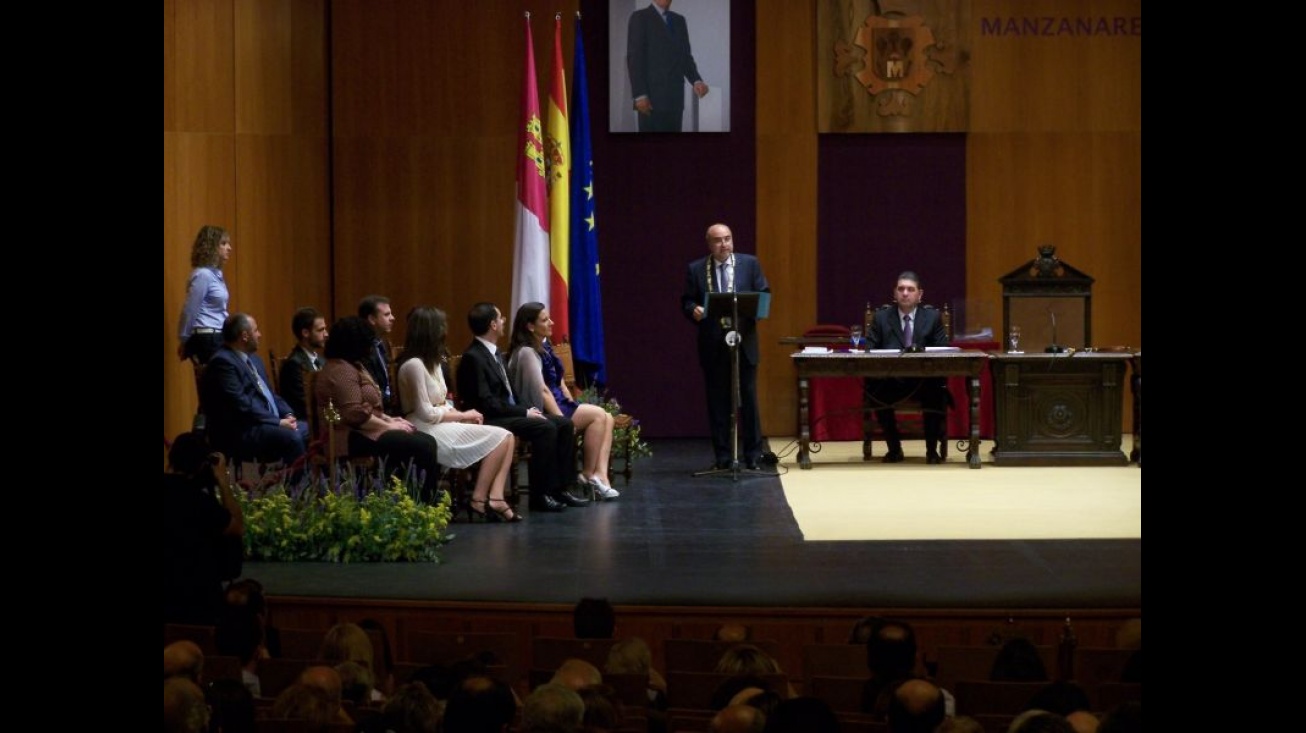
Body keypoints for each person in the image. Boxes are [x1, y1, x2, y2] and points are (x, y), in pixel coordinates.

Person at [455, 302, 587, 512]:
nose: (504, 320)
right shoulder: (474, 357)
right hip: (490, 417)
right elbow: (487, 402)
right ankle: (539, 495)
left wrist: (528, 409)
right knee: (544, 428)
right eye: (500, 318)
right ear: (493, 325)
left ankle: (560, 488)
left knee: (562, 423)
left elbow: (512, 393)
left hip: (509, 412)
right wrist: (524, 412)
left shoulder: (495, 352)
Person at [399, 306, 520, 522]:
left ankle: (495, 496)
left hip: (441, 421)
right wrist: (462, 416)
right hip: (424, 427)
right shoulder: (413, 365)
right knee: (500, 437)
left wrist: (459, 413)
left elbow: (443, 401)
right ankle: (479, 498)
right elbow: (425, 412)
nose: (445, 331)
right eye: (441, 327)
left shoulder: (434, 362)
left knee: (508, 436)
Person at [315, 316, 443, 502]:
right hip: (346, 436)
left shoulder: (354, 365)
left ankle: (417, 499)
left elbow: (369, 408)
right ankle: (422, 502)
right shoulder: (340, 370)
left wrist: (390, 420)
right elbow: (354, 414)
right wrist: (388, 427)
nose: (370, 347)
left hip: (364, 429)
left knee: (427, 440)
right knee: (420, 445)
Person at [680, 223, 771, 470]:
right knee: (718, 401)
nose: (724, 244)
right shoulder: (697, 269)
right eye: (718, 240)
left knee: (749, 399)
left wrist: (753, 312)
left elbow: (763, 293)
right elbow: (687, 301)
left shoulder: (750, 264)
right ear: (709, 243)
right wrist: (693, 310)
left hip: (744, 342)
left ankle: (753, 454)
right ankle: (723, 455)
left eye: (728, 239)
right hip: (713, 343)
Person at [507, 302, 619, 500]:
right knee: (598, 416)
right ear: (530, 326)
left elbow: (558, 379)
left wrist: (569, 398)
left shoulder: (545, 345)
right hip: (546, 408)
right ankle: (587, 474)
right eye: (544, 320)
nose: (551, 323)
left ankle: (599, 475)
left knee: (608, 417)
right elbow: (542, 390)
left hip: (560, 401)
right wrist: (562, 420)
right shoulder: (526, 352)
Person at [864, 270, 951, 464]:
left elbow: (943, 351)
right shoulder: (881, 318)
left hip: (923, 381)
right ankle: (894, 449)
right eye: (901, 289)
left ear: (919, 295)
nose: (905, 293)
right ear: (894, 293)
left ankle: (931, 451)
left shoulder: (932, 318)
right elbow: (869, 349)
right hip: (891, 381)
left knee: (937, 391)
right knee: (875, 390)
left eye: (910, 289)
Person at [200, 313, 309, 466]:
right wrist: (277, 422)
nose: (260, 335)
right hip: (242, 430)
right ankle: (297, 487)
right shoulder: (223, 362)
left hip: (264, 423)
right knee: (293, 437)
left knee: (311, 430)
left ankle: (314, 484)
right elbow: (241, 403)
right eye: (256, 330)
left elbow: (271, 395)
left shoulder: (254, 359)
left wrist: (288, 414)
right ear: (244, 336)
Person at [163, 432, 244, 625]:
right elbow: (237, 527)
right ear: (202, 466)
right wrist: (223, 482)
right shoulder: (200, 502)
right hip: (197, 601)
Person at [626, 0, 709, 132]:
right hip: (650, 101)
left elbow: (685, 57)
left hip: (675, 100)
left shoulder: (679, 20)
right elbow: (635, 58)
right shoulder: (640, 17)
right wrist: (640, 94)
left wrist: (696, 81)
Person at [176, 224, 232, 364]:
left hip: (218, 335)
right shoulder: (203, 275)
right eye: (223, 244)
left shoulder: (216, 275)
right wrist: (184, 339)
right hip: (208, 337)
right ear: (211, 247)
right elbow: (190, 309)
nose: (229, 248)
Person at [280, 306, 328, 420]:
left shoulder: (322, 360)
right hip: (307, 422)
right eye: (321, 330)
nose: (326, 334)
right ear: (305, 333)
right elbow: (304, 404)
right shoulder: (293, 365)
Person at [359, 294, 399, 414]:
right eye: (387, 314)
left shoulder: (383, 343)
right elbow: (372, 386)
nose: (393, 318)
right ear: (372, 319)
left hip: (390, 406)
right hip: (375, 410)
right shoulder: (362, 349)